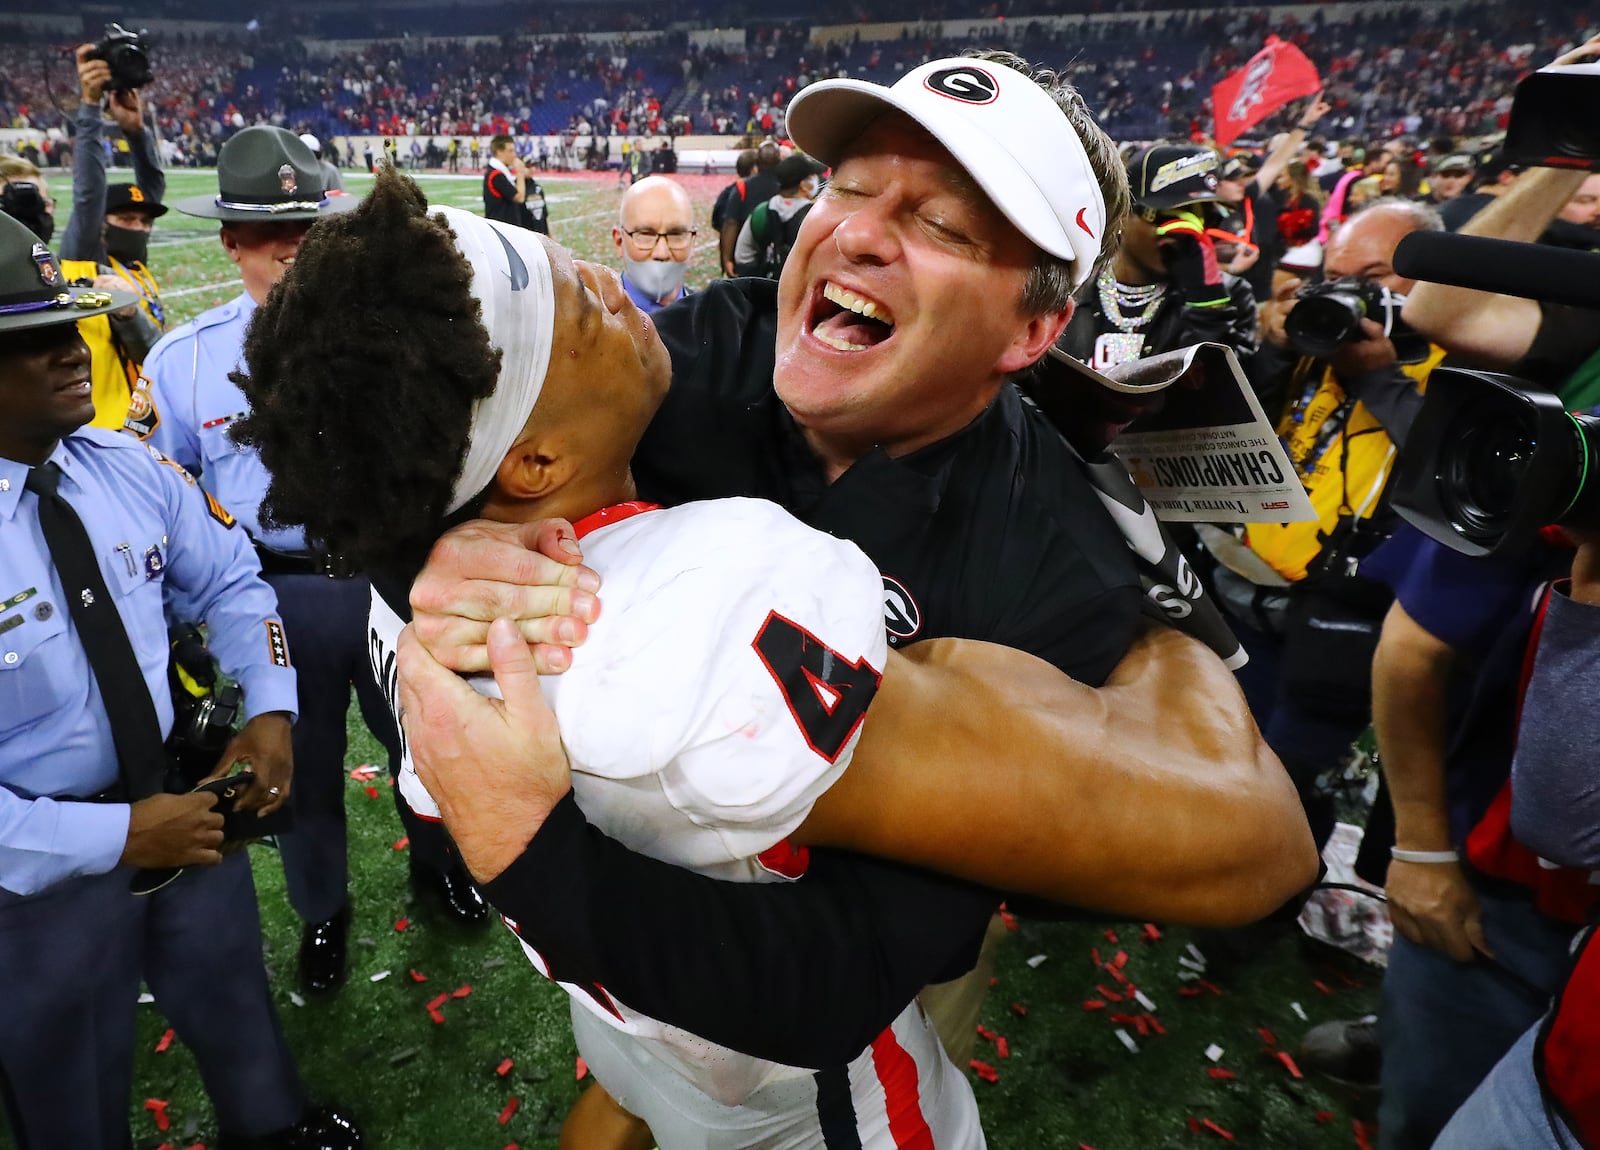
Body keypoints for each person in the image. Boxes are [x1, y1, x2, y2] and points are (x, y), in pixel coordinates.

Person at [394, 51, 1317, 1072]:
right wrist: (445, 549)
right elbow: (432, 441)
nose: (858, 232)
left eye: (942, 225)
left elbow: (837, 979)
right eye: (850, 184)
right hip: (639, 926)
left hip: (781, 1003)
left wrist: (529, 852)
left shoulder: (1050, 567)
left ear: (1037, 327)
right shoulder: (714, 343)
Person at [0, 210, 361, 1149]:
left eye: (65, 321)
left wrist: (272, 708)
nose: (72, 347)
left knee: (233, 996)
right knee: (69, 1089)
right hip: (37, 875)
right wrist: (115, 834)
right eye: (28, 337)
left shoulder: (123, 466)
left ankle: (275, 1128)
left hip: (186, 803)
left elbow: (236, 582)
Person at [139, 126, 486, 1000]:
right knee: (298, 773)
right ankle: (322, 910)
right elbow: (166, 505)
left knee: (428, 742)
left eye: (306, 224)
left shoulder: (391, 338)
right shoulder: (182, 365)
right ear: (228, 238)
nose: (290, 248)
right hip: (273, 592)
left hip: (384, 576)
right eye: (265, 230)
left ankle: (440, 864)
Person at [1210, 198, 1448, 850]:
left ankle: (1259, 912)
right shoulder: (1314, 341)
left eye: (1370, 282)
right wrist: (1277, 347)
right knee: (1223, 754)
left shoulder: (1462, 360)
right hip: (1246, 594)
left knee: (1282, 786)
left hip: (1344, 623)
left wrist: (1382, 379)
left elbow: (1449, 468)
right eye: (1334, 278)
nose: (1347, 297)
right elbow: (1224, 424)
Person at [1054, 142, 1256, 376]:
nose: (1185, 235)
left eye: (1206, 219)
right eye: (1169, 219)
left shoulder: (1232, 295)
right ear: (1123, 214)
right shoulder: (1069, 285)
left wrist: (1207, 302)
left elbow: (1220, 391)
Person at [0, 155, 163, 437]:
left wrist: (130, 316)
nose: (37, 211)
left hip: (113, 433)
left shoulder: (89, 270)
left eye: (43, 201)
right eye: (22, 200)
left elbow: (150, 353)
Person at [611, 174, 697, 312]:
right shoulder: (592, 323)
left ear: (692, 241)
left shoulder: (711, 321)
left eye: (676, 235)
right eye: (645, 235)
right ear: (619, 242)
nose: (661, 253)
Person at [732, 151, 824, 278]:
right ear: (803, 185)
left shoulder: (761, 211)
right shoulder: (815, 215)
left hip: (764, 285)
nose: (816, 179)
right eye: (813, 176)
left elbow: (743, 255)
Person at [719, 139, 779, 276]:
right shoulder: (787, 187)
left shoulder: (742, 187)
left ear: (756, 162)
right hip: (778, 257)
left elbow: (730, 223)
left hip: (746, 257)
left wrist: (727, 258)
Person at [483, 134, 547, 234]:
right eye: (510, 151)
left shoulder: (499, 172)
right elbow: (519, 197)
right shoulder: (496, 175)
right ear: (499, 152)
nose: (514, 155)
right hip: (502, 231)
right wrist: (520, 172)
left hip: (504, 229)